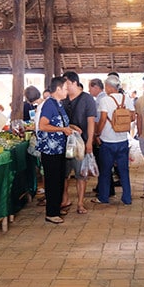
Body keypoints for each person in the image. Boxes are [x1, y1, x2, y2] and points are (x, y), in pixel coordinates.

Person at [37, 76, 74, 224]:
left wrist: (71, 128)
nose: (67, 91)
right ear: (58, 89)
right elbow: (43, 125)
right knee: (52, 181)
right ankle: (51, 213)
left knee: (59, 180)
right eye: (65, 88)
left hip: (59, 149)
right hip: (50, 151)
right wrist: (62, 129)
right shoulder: (49, 104)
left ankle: (56, 208)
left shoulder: (58, 104)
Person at [93, 75, 135, 205]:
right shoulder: (126, 99)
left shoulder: (105, 100)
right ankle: (127, 198)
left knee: (105, 171)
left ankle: (104, 197)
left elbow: (103, 119)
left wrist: (97, 133)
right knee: (124, 170)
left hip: (108, 140)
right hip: (123, 140)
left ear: (109, 87)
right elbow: (133, 117)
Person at [61, 71, 96, 215]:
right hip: (64, 142)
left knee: (81, 174)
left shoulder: (87, 99)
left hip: (81, 143)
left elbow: (91, 121)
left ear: (75, 83)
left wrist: (89, 142)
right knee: (64, 173)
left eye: (67, 84)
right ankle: (65, 199)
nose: (65, 87)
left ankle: (80, 203)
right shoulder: (62, 99)